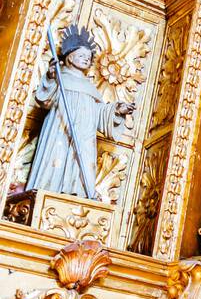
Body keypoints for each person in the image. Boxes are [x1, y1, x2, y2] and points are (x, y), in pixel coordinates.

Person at [25, 25, 135, 199]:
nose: (86, 59)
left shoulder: (89, 86)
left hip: (83, 137)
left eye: (88, 57)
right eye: (81, 55)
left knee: (80, 166)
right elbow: (45, 100)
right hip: (60, 131)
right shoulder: (61, 77)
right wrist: (52, 77)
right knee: (55, 163)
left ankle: (76, 197)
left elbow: (98, 114)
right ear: (69, 57)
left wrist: (116, 110)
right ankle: (46, 194)